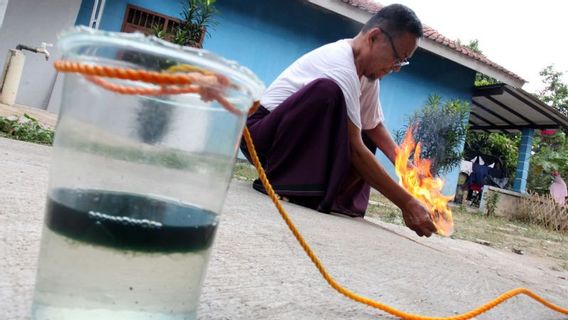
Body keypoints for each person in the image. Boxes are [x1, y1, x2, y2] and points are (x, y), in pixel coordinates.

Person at [240, 4, 437, 237]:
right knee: (327, 92)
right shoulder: (340, 65)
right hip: (261, 137)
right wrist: (406, 203)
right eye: (396, 58)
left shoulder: (368, 77)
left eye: (403, 62)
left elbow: (373, 125)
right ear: (374, 37)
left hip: (286, 136)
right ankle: (281, 181)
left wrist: (407, 169)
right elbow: (355, 150)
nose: (396, 68)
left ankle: (336, 198)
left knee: (363, 129)